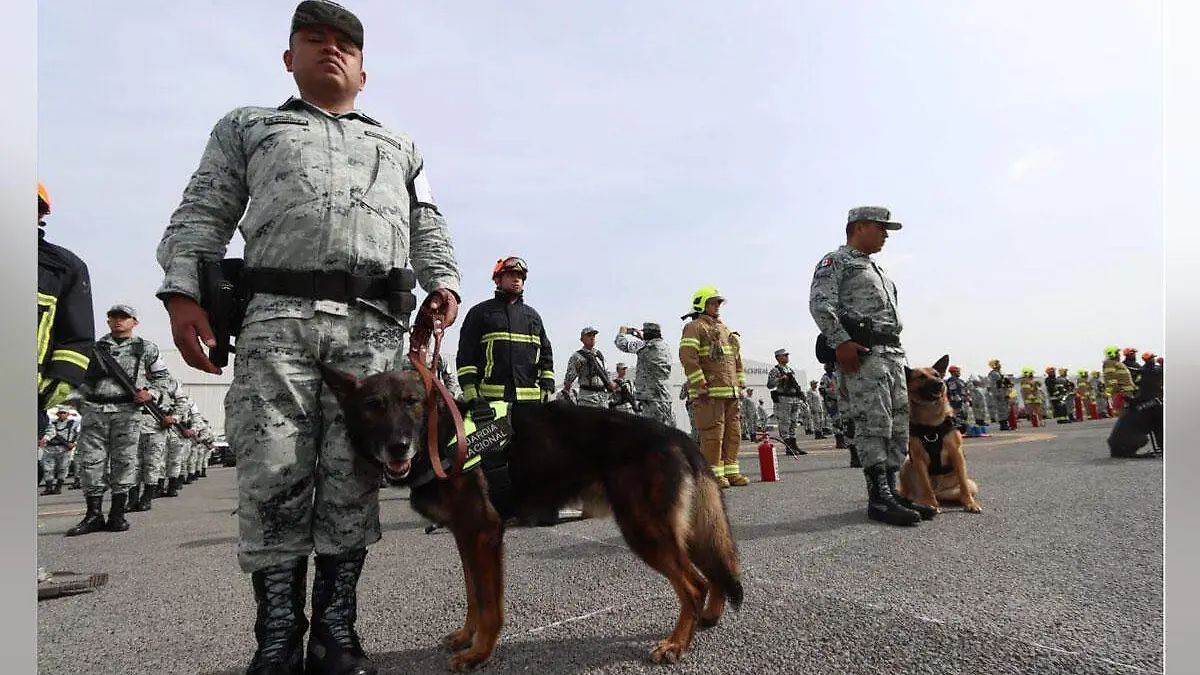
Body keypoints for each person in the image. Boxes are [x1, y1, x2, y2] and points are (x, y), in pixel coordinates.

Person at [155, 3, 463, 672]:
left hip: (373, 333)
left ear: (363, 68)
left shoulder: (399, 145)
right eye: (314, 39)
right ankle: (275, 641)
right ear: (289, 58)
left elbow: (428, 223)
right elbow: (204, 208)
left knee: (353, 477)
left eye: (345, 44)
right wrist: (183, 294)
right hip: (276, 323)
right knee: (273, 472)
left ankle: (335, 634)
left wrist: (444, 284)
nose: (331, 50)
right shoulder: (250, 126)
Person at [809, 206, 936, 526]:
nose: (885, 234)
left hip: (892, 354)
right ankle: (877, 497)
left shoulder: (875, 268)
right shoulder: (836, 262)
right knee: (873, 423)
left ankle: (890, 491)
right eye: (881, 227)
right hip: (865, 356)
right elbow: (820, 304)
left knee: (896, 426)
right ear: (859, 226)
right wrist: (840, 341)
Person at [70, 305, 172, 535]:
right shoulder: (94, 348)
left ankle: (117, 514)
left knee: (124, 461)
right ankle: (93, 514)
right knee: (90, 462)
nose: (118, 321)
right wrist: (82, 406)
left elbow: (163, 378)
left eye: (124, 317)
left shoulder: (146, 348)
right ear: (107, 322)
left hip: (127, 410)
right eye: (114, 317)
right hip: (95, 409)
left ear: (134, 322)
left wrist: (151, 393)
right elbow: (76, 379)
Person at [679, 287, 749, 488]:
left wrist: (740, 381)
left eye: (719, 303)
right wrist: (700, 383)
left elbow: (735, 358)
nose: (717, 306)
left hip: (731, 392)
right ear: (701, 304)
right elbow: (688, 357)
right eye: (713, 302)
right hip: (709, 393)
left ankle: (731, 472)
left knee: (733, 433)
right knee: (713, 434)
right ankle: (712, 475)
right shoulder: (694, 327)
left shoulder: (725, 329)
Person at [613, 322, 676, 427]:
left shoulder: (644, 346)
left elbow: (622, 344)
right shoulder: (664, 347)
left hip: (651, 398)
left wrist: (622, 333)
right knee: (666, 430)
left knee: (653, 433)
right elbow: (648, 347)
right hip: (664, 396)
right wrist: (642, 338)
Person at [767, 348, 808, 456]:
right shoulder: (775, 370)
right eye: (784, 355)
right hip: (784, 399)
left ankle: (794, 446)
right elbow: (770, 385)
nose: (787, 357)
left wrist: (800, 394)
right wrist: (780, 379)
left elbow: (795, 383)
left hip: (794, 398)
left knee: (794, 422)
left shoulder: (790, 369)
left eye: (787, 355)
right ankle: (789, 447)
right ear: (778, 357)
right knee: (785, 422)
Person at [563, 327, 616, 407]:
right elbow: (569, 378)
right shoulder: (577, 356)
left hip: (603, 398)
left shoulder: (598, 354)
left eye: (594, 335)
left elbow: (606, 371)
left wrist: (611, 383)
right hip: (587, 398)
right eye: (589, 335)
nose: (592, 337)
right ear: (582, 339)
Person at [40, 408, 80, 495]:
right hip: (50, 448)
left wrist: (74, 443)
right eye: (60, 413)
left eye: (64, 413)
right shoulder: (52, 423)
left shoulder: (73, 423)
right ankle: (49, 487)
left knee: (63, 468)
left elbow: (79, 434)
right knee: (48, 469)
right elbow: (49, 433)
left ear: (67, 414)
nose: (62, 414)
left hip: (64, 449)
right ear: (57, 414)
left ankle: (58, 487)